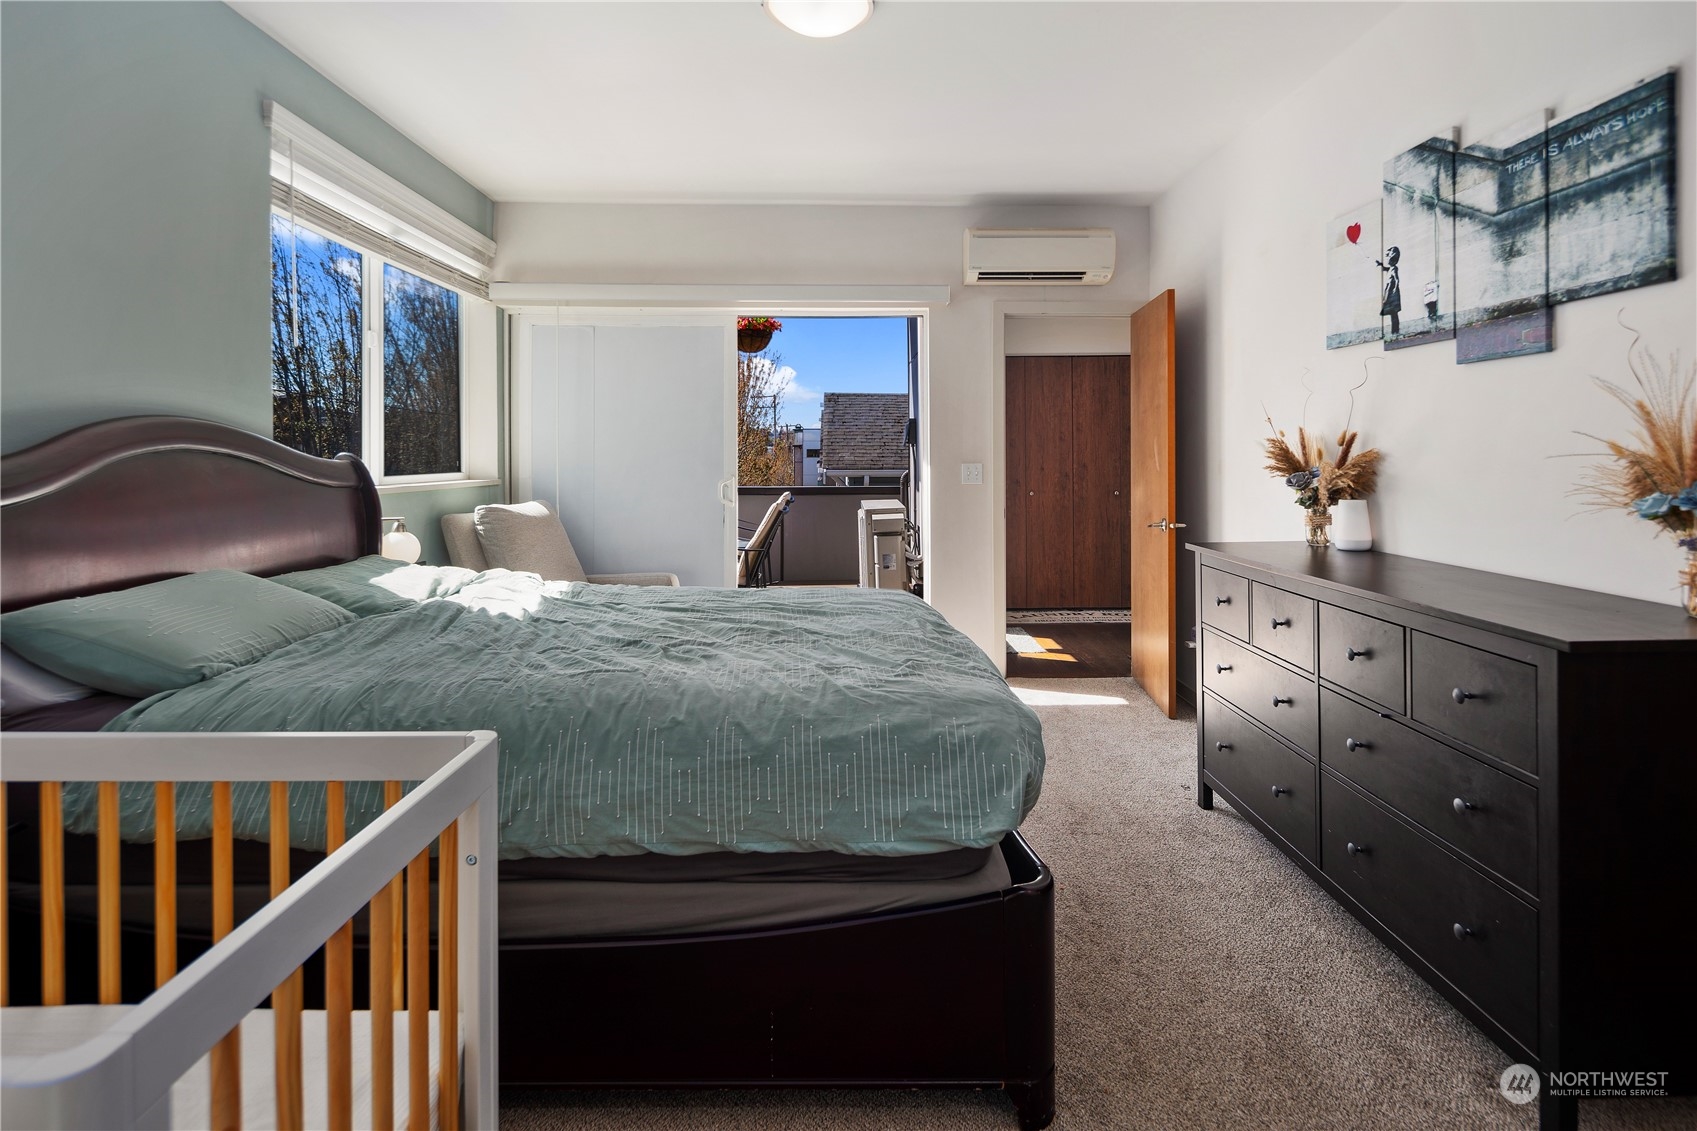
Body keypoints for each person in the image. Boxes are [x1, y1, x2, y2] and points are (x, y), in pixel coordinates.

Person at [1377, 246, 1402, 335]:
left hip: (1392, 294)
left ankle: (1395, 330)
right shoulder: (1391, 268)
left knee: (1393, 313)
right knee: (1392, 313)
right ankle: (1394, 331)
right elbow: (1385, 269)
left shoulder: (1394, 269)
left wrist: (1395, 288)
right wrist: (1380, 264)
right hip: (1389, 293)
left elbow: (1397, 279)